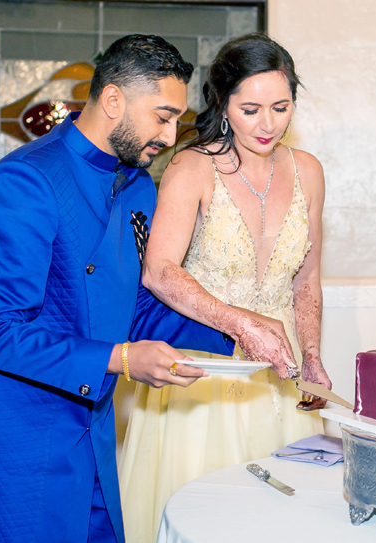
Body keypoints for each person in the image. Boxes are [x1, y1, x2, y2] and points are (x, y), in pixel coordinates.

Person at [0, 35, 236, 543]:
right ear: (114, 100)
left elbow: (137, 308)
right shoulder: (25, 181)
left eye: (176, 121)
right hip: (15, 441)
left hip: (91, 433)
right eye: (162, 117)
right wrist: (122, 359)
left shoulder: (140, 185)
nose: (170, 137)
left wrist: (236, 331)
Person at [118, 33, 332, 542]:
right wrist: (239, 324)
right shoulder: (192, 167)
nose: (268, 124)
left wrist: (314, 355)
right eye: (251, 108)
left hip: (280, 380)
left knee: (285, 520)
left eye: (281, 107)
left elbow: (307, 278)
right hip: (204, 377)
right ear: (223, 103)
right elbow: (159, 270)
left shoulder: (308, 172)